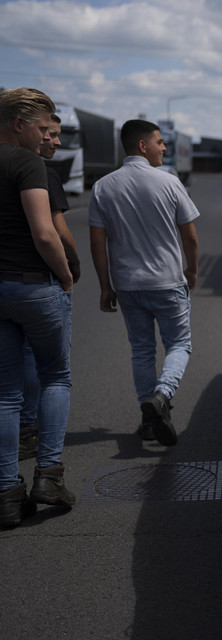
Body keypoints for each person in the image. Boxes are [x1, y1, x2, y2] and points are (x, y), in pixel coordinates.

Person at [88, 119, 199, 446]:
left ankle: (149, 420)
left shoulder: (103, 187)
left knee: (141, 350)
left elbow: (97, 243)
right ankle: (162, 396)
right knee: (179, 344)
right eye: (159, 142)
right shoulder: (169, 182)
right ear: (142, 145)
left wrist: (105, 286)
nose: (164, 147)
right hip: (167, 281)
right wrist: (192, 270)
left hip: (127, 285)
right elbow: (190, 236)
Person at [0, 87, 76, 529]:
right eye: (43, 127)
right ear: (18, 124)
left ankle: (7, 493)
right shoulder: (27, 162)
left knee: (5, 393)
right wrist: (64, 276)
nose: (48, 137)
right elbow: (45, 233)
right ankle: (48, 476)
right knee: (55, 377)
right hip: (32, 284)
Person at [20, 113, 81, 461]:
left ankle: (11, 466)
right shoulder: (41, 172)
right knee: (51, 370)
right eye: (50, 134)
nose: (56, 142)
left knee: (10, 375)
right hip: (38, 281)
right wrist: (71, 266)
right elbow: (55, 232)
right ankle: (46, 463)